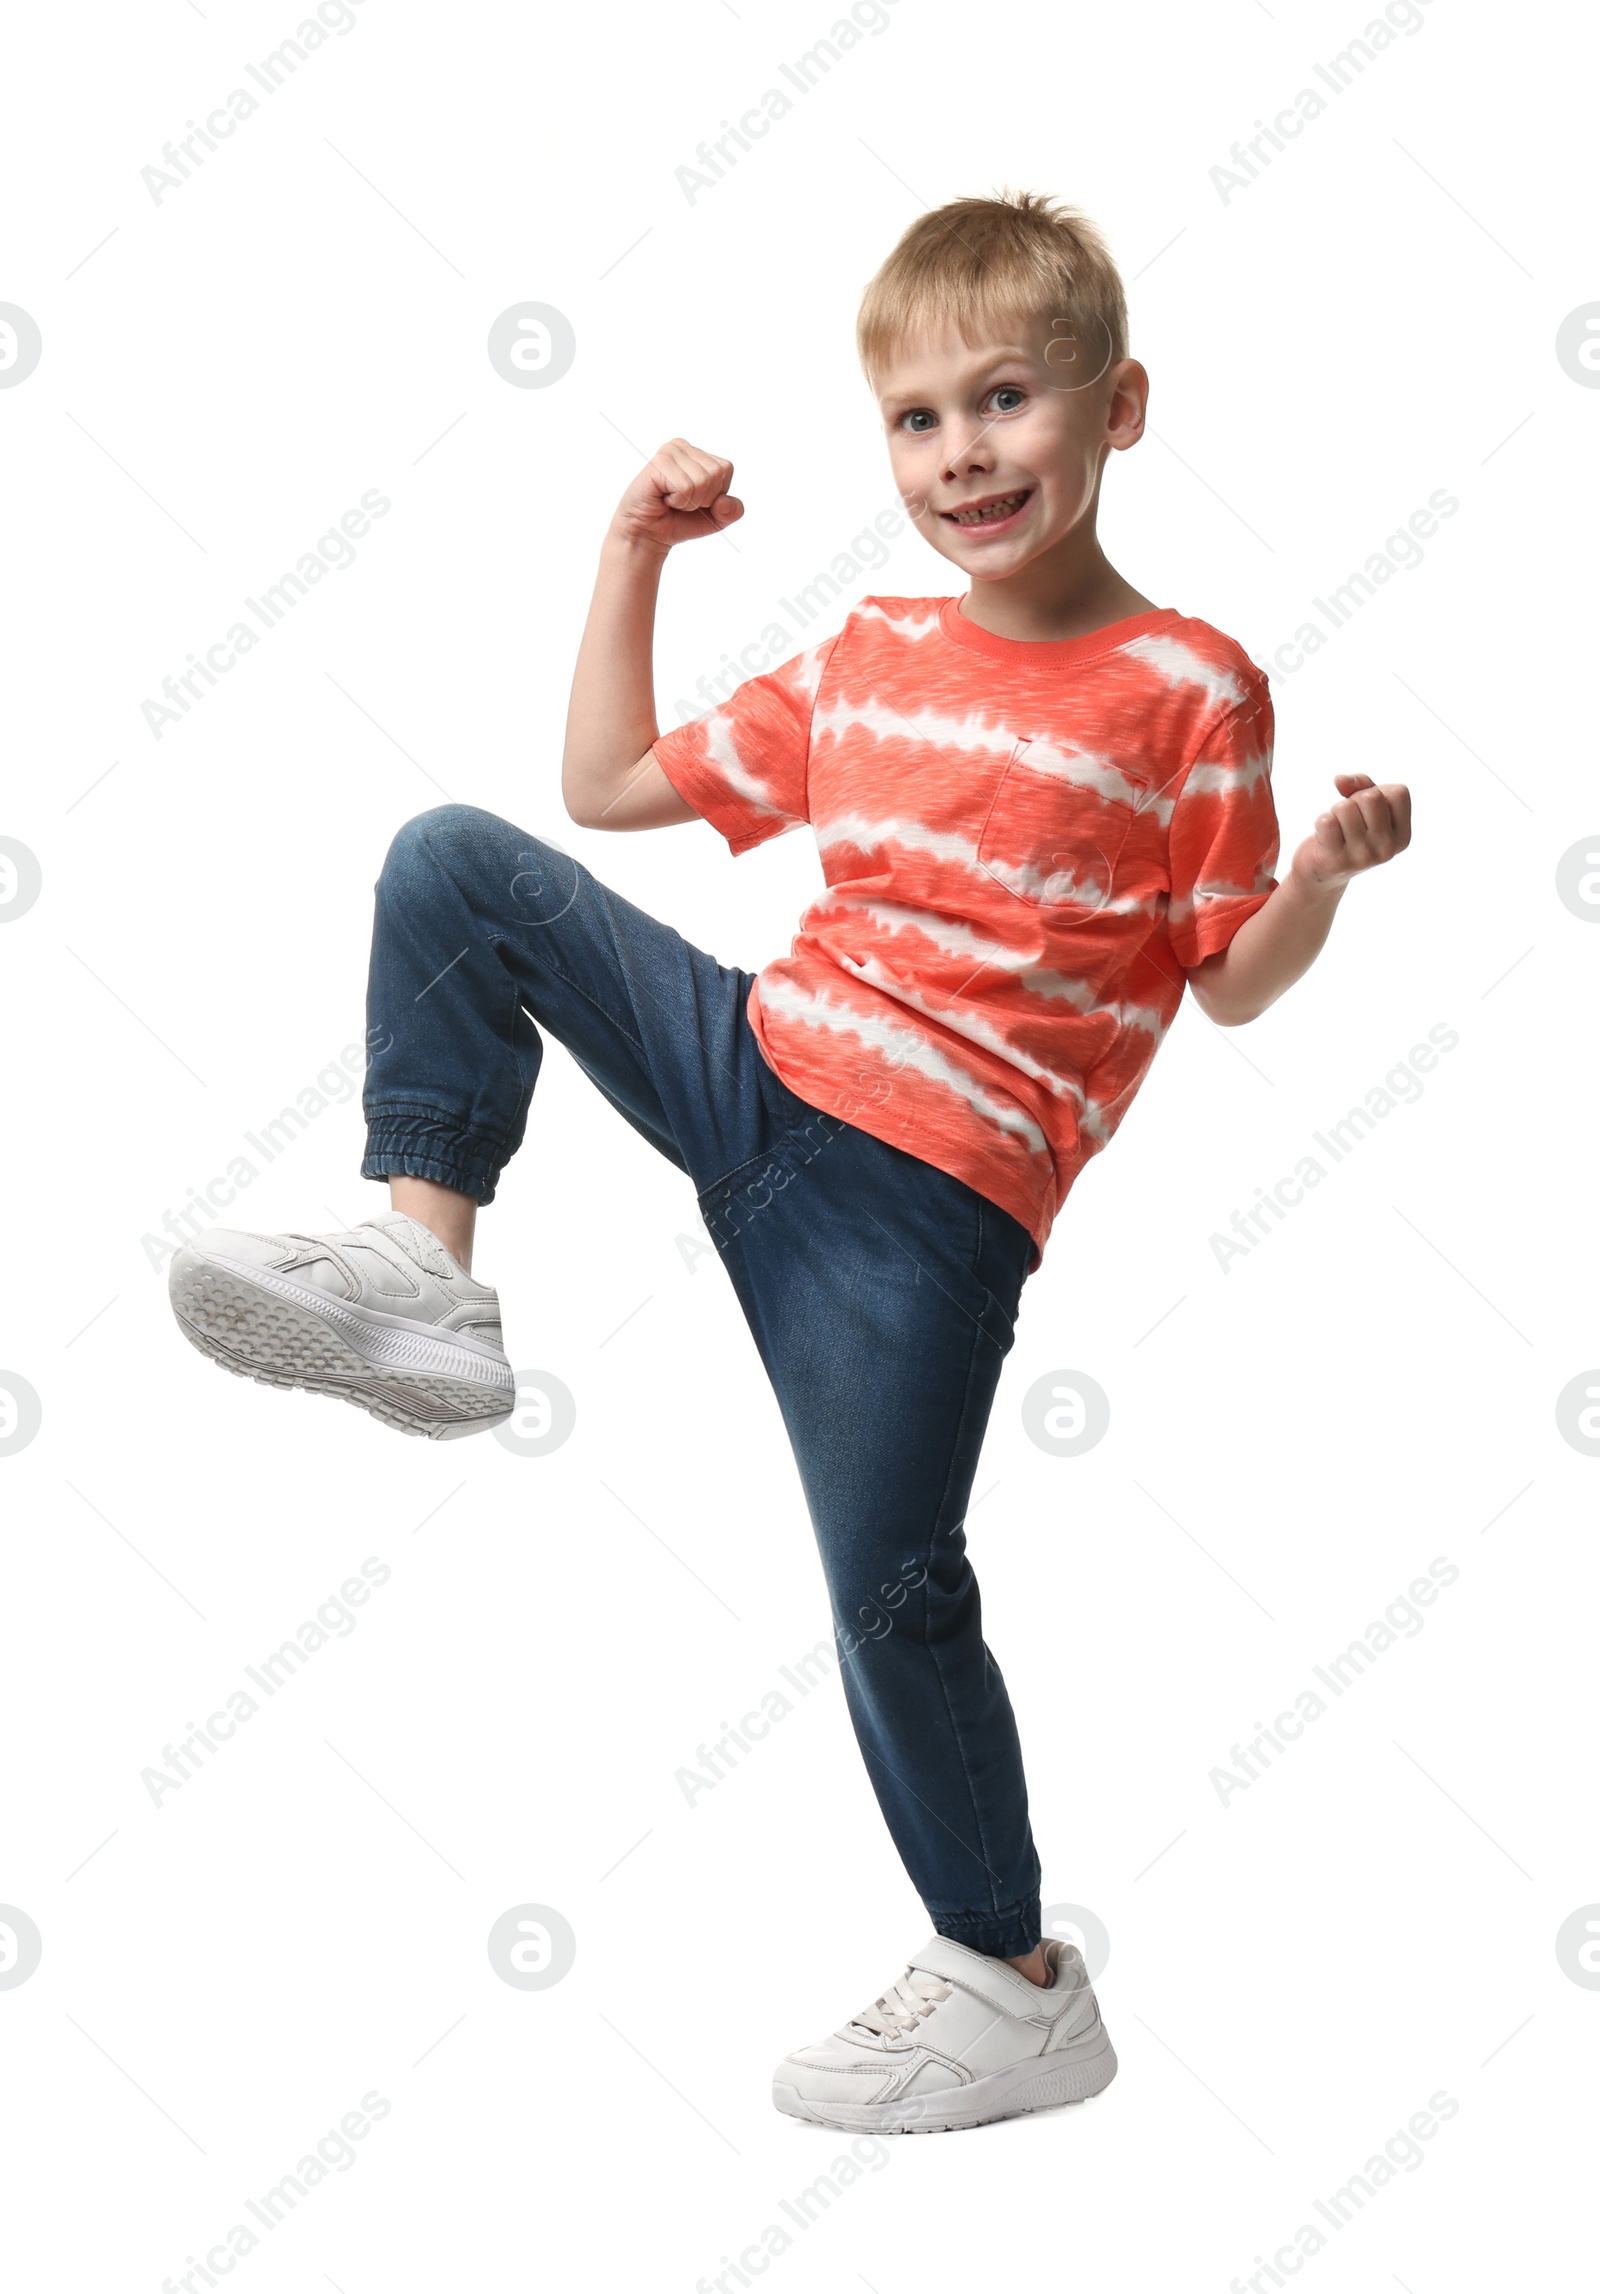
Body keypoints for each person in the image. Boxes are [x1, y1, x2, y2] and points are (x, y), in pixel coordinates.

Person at [168, 191, 1410, 2135]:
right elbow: (602, 788)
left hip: (922, 1212)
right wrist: (627, 551)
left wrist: (1316, 878)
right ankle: (427, 1269)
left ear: (1117, 408)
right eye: (916, 419)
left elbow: (1223, 979)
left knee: (891, 1591)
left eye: (1003, 401)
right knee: (454, 862)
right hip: (756, 1059)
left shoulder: (1190, 687)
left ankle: (1005, 1981)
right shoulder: (870, 653)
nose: (960, 454)